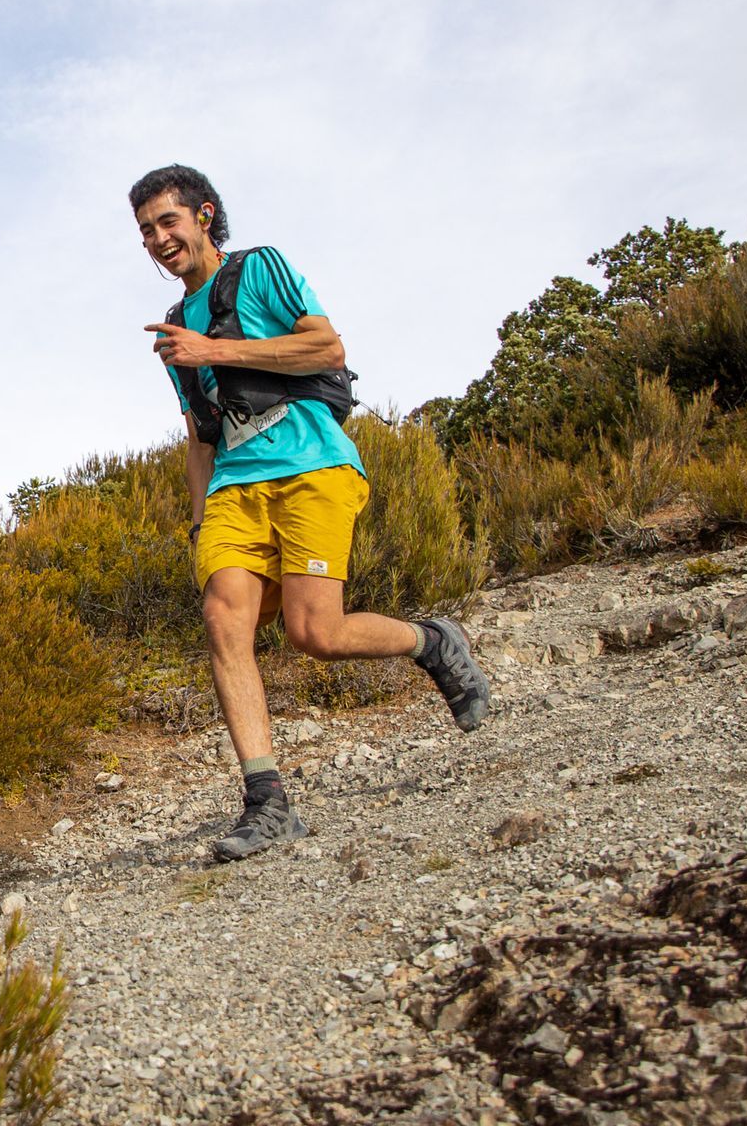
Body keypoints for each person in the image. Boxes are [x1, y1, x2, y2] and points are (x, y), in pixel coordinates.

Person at [133, 163, 490, 862]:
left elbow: (326, 346)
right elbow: (199, 436)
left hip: (311, 467)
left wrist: (216, 349)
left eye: (168, 221)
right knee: (222, 615)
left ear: (204, 215)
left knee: (315, 633)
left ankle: (433, 643)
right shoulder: (173, 329)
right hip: (234, 487)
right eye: (145, 231)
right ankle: (267, 804)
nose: (157, 239)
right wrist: (201, 520)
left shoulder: (259, 269)